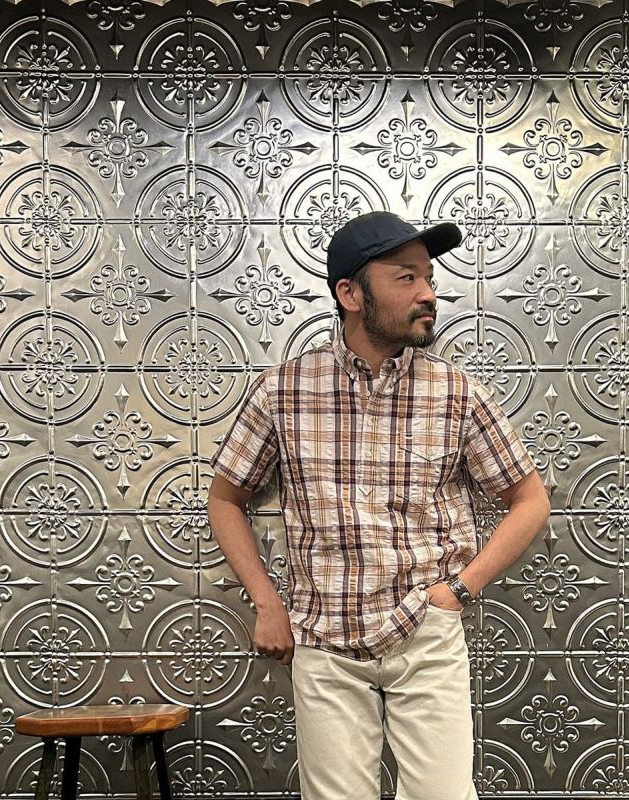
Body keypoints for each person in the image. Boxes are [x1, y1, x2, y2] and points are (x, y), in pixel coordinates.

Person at [207, 211, 551, 800]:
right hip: (324, 641)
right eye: (406, 277)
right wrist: (266, 603)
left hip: (425, 632)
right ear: (351, 294)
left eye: (429, 277)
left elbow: (529, 499)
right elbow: (225, 498)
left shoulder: (455, 392)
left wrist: (458, 592)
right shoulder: (283, 390)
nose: (428, 293)